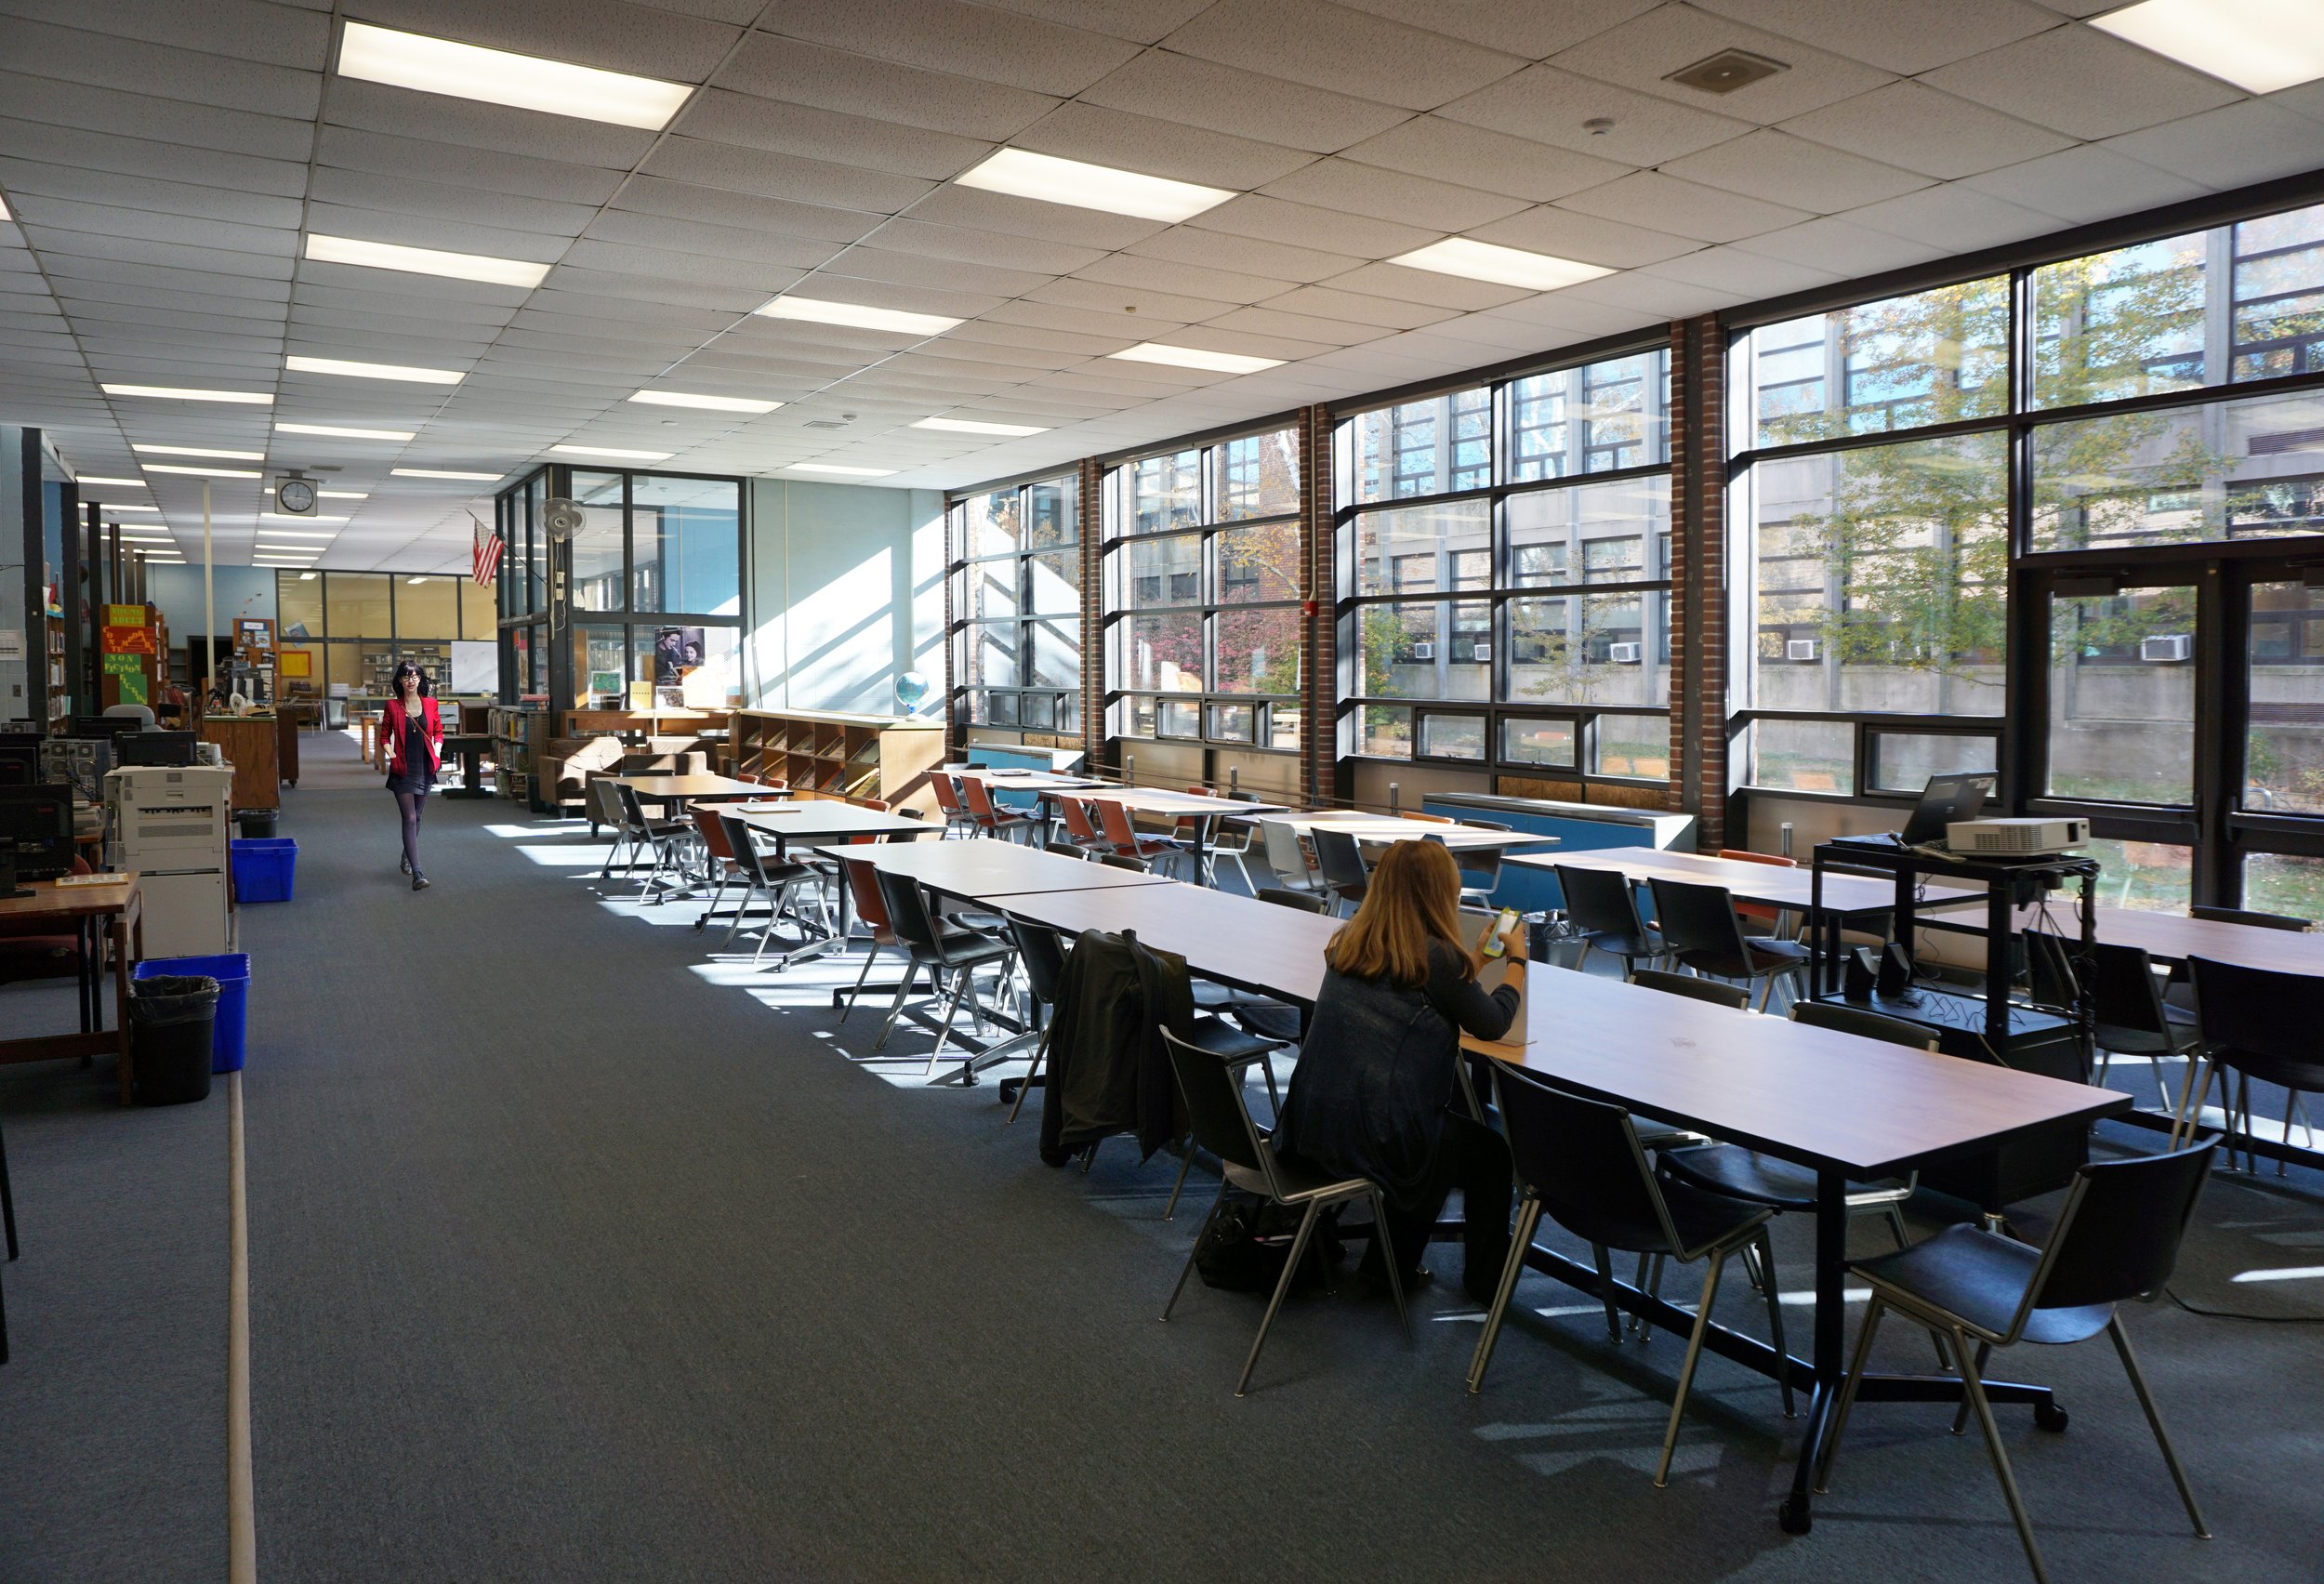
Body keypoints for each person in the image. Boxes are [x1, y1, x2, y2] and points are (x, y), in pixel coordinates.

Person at [1274, 839, 1524, 1301]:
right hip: (1377, 1134)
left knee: (1434, 1130)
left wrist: (1475, 963)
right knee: (1484, 1152)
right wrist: (1516, 963)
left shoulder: (1350, 941)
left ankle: (1390, 1265)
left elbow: (1416, 979)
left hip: (1311, 1120)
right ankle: (1481, 1284)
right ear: (1437, 893)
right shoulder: (1438, 959)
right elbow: (1491, 1024)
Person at [376, 661, 442, 891]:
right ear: (400, 681)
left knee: (419, 815)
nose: (411, 680)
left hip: (425, 766)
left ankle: (407, 853)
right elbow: (384, 736)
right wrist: (391, 753)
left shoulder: (431, 704)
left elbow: (438, 732)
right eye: (406, 676)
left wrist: (438, 749)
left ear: (421, 679)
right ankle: (418, 872)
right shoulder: (393, 706)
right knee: (410, 818)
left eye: (415, 676)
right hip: (403, 769)